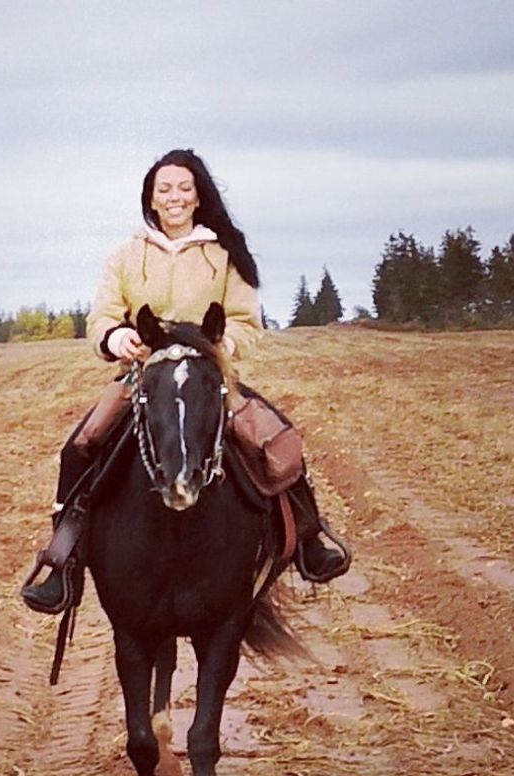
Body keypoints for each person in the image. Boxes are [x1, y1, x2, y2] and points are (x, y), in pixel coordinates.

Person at [23, 149, 348, 612]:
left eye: (184, 188)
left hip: (209, 375)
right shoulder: (124, 255)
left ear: (198, 197)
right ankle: (64, 562)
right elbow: (102, 317)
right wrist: (116, 338)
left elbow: (244, 320)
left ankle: (310, 538)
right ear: (151, 200)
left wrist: (221, 350)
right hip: (143, 375)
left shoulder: (224, 254)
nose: (174, 197)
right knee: (80, 445)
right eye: (164, 190)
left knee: (274, 437)